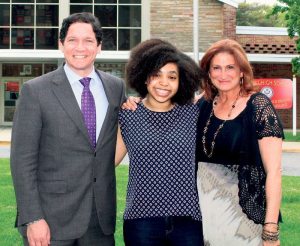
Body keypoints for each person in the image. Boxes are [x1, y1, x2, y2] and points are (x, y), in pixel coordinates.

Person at [10, 12, 125, 246]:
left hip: (100, 221)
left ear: (99, 46)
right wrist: (33, 218)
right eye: (72, 40)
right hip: (51, 221)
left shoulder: (116, 87)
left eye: (88, 41)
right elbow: (22, 162)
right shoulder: (36, 91)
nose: (80, 47)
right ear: (61, 44)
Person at [115, 39, 204, 246]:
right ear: (145, 78)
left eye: (172, 77)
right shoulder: (128, 115)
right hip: (141, 221)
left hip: (188, 220)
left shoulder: (192, 112)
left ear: (181, 81)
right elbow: (108, 160)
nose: (164, 83)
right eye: (156, 75)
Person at [195, 39, 283, 246]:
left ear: (242, 71)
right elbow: (166, 111)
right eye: (216, 68)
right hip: (202, 214)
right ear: (208, 72)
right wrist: (137, 103)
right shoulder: (202, 104)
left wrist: (270, 230)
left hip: (243, 215)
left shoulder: (259, 106)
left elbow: (274, 172)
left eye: (230, 67)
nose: (222, 74)